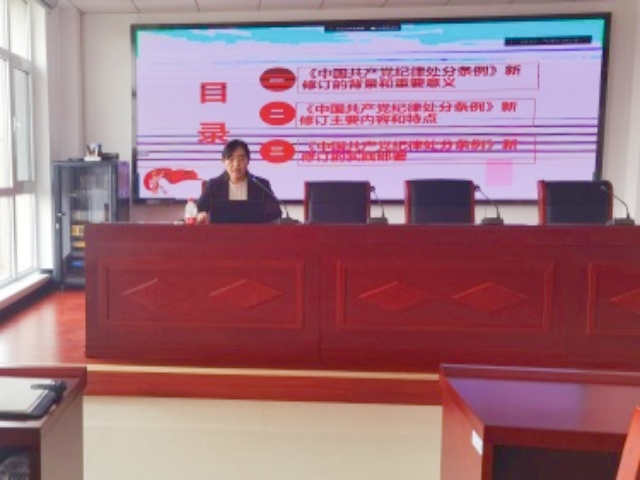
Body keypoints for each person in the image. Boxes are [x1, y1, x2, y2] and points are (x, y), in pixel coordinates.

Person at [195, 139, 281, 224]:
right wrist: (201, 215)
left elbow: (276, 212)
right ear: (223, 161)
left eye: (241, 159)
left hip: (254, 232)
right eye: (231, 159)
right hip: (220, 233)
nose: (236, 164)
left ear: (248, 161)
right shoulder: (213, 186)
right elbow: (200, 210)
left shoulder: (261, 185)